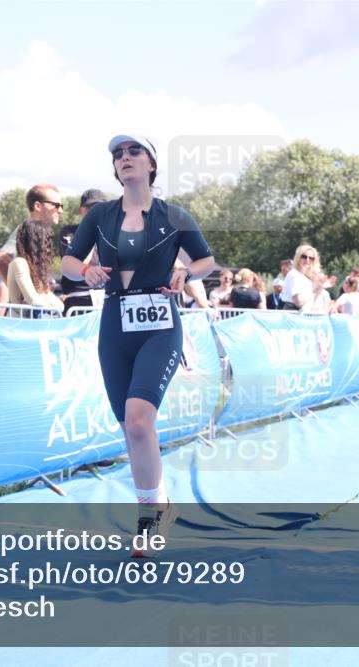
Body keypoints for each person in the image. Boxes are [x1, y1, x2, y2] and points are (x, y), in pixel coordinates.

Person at [62, 134, 214, 556]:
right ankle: (161, 502)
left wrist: (187, 273)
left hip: (161, 324)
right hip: (115, 323)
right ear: (115, 169)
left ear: (150, 164)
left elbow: (206, 260)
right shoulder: (100, 216)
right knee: (130, 427)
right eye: (118, 155)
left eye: (133, 152)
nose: (124, 159)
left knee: (140, 420)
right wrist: (85, 271)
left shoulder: (175, 216)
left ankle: (150, 516)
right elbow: (69, 262)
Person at [7, 203, 64, 315]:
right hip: (20, 328)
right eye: (47, 242)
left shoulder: (36, 269)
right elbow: (35, 301)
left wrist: (46, 300)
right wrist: (47, 301)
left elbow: (59, 306)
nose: (49, 247)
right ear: (39, 243)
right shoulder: (20, 263)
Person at [59, 188, 107, 315]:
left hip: (104, 299)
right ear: (81, 210)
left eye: (99, 208)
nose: (95, 212)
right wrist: (91, 234)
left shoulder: (110, 233)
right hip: (77, 299)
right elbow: (76, 262)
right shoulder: (69, 232)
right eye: (91, 208)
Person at [0, 183, 63, 257]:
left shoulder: (39, 232)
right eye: (56, 205)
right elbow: (0, 259)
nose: (60, 211)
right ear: (38, 206)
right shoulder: (25, 231)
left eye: (61, 206)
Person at [281, 244, 324, 311]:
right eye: (304, 256)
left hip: (304, 314)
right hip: (292, 314)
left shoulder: (305, 278)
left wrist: (320, 289)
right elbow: (299, 302)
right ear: (298, 257)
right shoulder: (294, 274)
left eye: (311, 258)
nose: (307, 260)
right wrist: (314, 291)